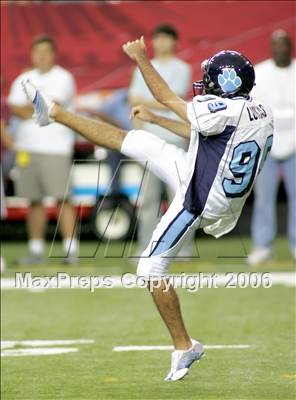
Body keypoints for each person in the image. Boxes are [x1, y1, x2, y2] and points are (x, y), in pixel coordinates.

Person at [22, 37, 273, 381]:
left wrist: (140, 57)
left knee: (150, 269)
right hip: (208, 182)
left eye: (211, 80)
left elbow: (166, 96)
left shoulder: (225, 110)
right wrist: (156, 120)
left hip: (200, 198)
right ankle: (54, 112)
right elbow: (206, 133)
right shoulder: (257, 112)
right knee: (138, 141)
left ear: (225, 84)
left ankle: (185, 345)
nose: (206, 85)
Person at [7, 35, 78, 265]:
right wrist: (39, 109)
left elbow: (52, 106)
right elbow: (15, 108)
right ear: (32, 54)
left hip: (56, 148)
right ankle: (36, 251)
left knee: (62, 198)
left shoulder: (63, 77)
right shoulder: (23, 78)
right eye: (37, 51)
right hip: (27, 148)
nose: (41, 55)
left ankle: (71, 250)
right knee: (33, 200)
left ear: (53, 54)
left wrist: (36, 109)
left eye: (46, 51)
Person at [129, 25, 193, 256]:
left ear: (175, 42)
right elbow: (135, 101)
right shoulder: (141, 68)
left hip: (174, 139)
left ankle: (182, 250)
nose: (161, 43)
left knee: (180, 197)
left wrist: (153, 100)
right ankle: (146, 247)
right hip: (150, 141)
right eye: (158, 38)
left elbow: (172, 100)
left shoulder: (182, 68)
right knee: (148, 201)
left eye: (166, 38)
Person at [248, 30, 296, 265]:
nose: (280, 49)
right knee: (263, 198)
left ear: (290, 47)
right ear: (271, 47)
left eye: (284, 44)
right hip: (267, 144)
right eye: (275, 45)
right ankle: (263, 245)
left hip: (295, 145)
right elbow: (256, 110)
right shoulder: (261, 73)